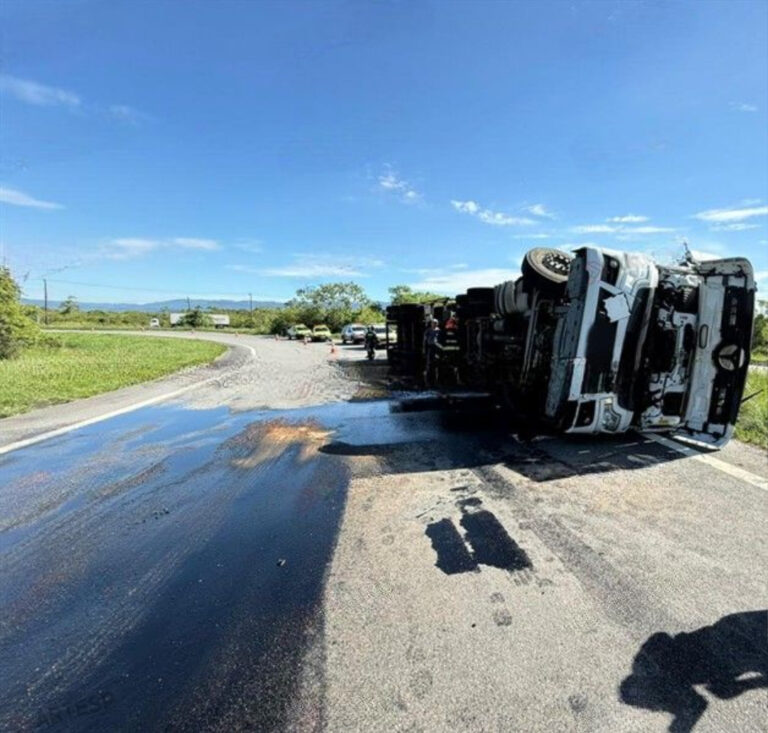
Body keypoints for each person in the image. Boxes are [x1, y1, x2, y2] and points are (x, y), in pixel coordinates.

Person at [423, 318, 441, 385]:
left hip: (436, 348)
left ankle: (436, 380)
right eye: (433, 323)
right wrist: (424, 349)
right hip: (430, 347)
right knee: (429, 364)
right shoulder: (428, 331)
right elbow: (425, 340)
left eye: (435, 323)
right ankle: (428, 380)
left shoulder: (439, 331)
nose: (434, 324)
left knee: (436, 363)